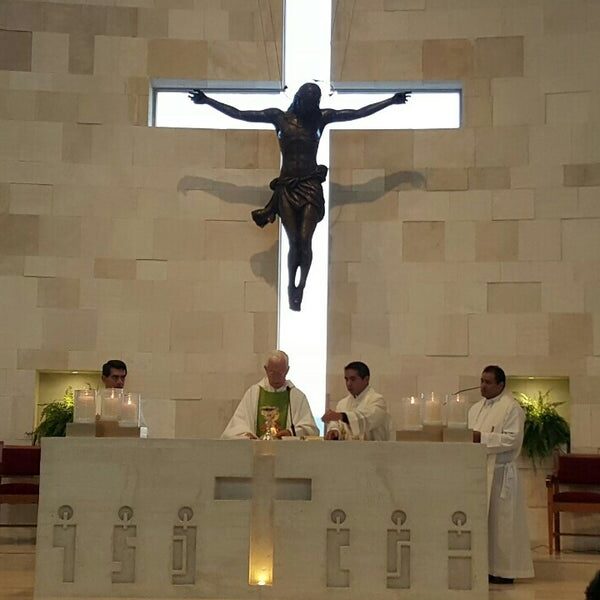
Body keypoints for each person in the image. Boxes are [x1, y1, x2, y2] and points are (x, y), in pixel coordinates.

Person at [189, 84, 410, 311]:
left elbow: (356, 113)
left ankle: (300, 286)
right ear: (299, 99)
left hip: (310, 186)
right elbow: (241, 114)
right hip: (286, 188)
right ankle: (290, 285)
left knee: (305, 240)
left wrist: (390, 101)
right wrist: (207, 101)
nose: (313, 105)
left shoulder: (320, 119)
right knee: (294, 242)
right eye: (309, 101)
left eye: (316, 101)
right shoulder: (278, 118)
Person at [468, 365, 534, 585]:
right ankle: (486, 567)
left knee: (502, 525)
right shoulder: (475, 408)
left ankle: (504, 570)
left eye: (488, 382)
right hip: (480, 472)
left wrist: (481, 438)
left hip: (501, 473)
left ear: (501, 385)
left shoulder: (511, 408)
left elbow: (512, 440)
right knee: (484, 524)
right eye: (481, 381)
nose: (483, 386)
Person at [221, 350, 319, 439]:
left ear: (287, 370)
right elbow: (238, 424)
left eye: (280, 373)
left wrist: (291, 432)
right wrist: (247, 435)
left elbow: (310, 429)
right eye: (273, 373)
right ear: (266, 369)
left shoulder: (296, 396)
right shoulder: (253, 393)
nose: (276, 378)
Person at [322, 361, 392, 441]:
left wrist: (342, 416)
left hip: (374, 451)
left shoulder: (377, 400)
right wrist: (334, 430)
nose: (348, 384)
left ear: (366, 379)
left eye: (353, 379)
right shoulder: (342, 403)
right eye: (346, 379)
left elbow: (367, 419)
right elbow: (336, 424)